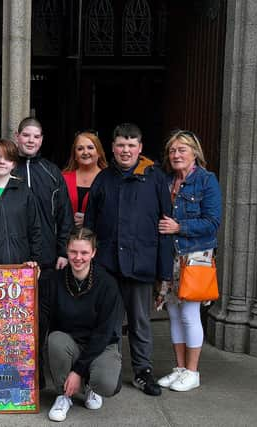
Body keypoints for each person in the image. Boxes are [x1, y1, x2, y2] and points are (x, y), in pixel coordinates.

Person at [84, 122, 173, 397]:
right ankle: (104, 374)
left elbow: (166, 226)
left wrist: (165, 274)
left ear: (140, 148)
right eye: (121, 145)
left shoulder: (155, 177)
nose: (126, 150)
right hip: (108, 264)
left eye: (131, 145)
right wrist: (89, 265)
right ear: (112, 147)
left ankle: (142, 372)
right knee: (108, 321)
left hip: (141, 262)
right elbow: (90, 226)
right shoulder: (103, 179)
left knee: (140, 322)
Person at [156, 130, 222, 392]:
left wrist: (178, 227)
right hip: (171, 255)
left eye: (182, 149)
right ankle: (180, 368)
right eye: (172, 150)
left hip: (195, 256)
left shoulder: (207, 180)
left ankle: (193, 372)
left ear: (195, 152)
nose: (176, 155)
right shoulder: (167, 180)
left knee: (189, 314)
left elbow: (212, 222)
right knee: (173, 313)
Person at [40, 227, 123, 422]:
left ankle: (90, 387)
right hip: (69, 342)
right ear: (66, 251)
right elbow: (42, 321)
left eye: (84, 252)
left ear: (93, 253)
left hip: (100, 345)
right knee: (55, 340)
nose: (78, 258)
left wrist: (78, 371)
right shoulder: (54, 280)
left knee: (106, 384)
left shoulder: (107, 284)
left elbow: (104, 332)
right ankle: (64, 395)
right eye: (73, 252)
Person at [13, 117, 74, 271]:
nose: (31, 141)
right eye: (26, 135)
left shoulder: (52, 172)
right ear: (17, 136)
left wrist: (63, 252)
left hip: (47, 258)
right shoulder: (6, 169)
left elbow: (64, 215)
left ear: (41, 140)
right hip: (12, 256)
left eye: (36, 137)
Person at [61, 131, 108, 227]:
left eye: (90, 148)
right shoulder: (63, 178)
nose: (85, 152)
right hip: (67, 238)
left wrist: (90, 220)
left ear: (99, 152)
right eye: (80, 149)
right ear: (74, 155)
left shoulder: (108, 179)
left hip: (98, 238)